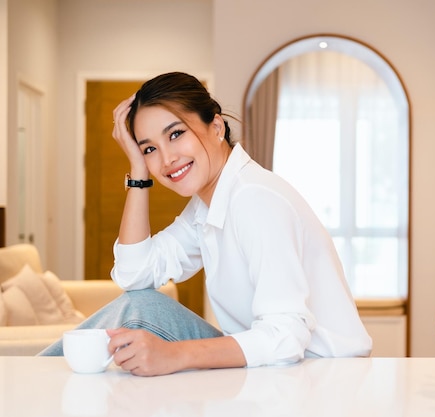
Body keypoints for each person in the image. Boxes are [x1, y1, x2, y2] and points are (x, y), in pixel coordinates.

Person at [39, 72, 372, 376]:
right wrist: (138, 174)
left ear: (216, 127)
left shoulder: (254, 199)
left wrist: (174, 355)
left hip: (323, 378)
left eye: (176, 134)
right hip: (281, 372)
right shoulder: (208, 205)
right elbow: (134, 274)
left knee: (142, 312)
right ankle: (37, 382)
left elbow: (286, 337)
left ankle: (35, 382)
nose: (167, 159)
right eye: (150, 149)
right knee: (141, 304)